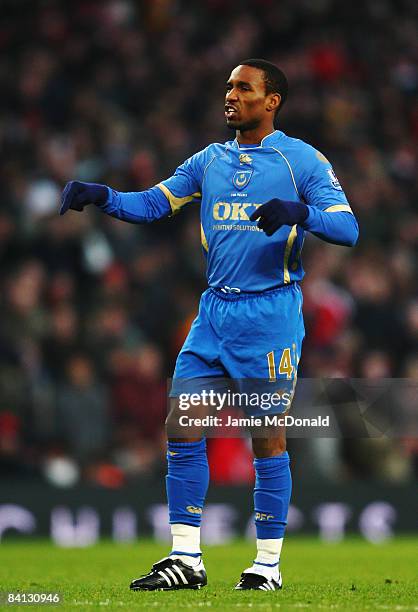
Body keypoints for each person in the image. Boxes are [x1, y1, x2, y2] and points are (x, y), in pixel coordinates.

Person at [60, 59, 358, 592]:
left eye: (244, 88)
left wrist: (301, 213)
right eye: (228, 87)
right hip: (214, 314)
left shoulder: (302, 161)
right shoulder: (209, 160)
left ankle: (267, 564)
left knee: (266, 439)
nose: (231, 95)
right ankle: (186, 558)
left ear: (272, 101)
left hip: (270, 315)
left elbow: (348, 227)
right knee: (181, 425)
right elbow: (155, 203)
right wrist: (103, 196)